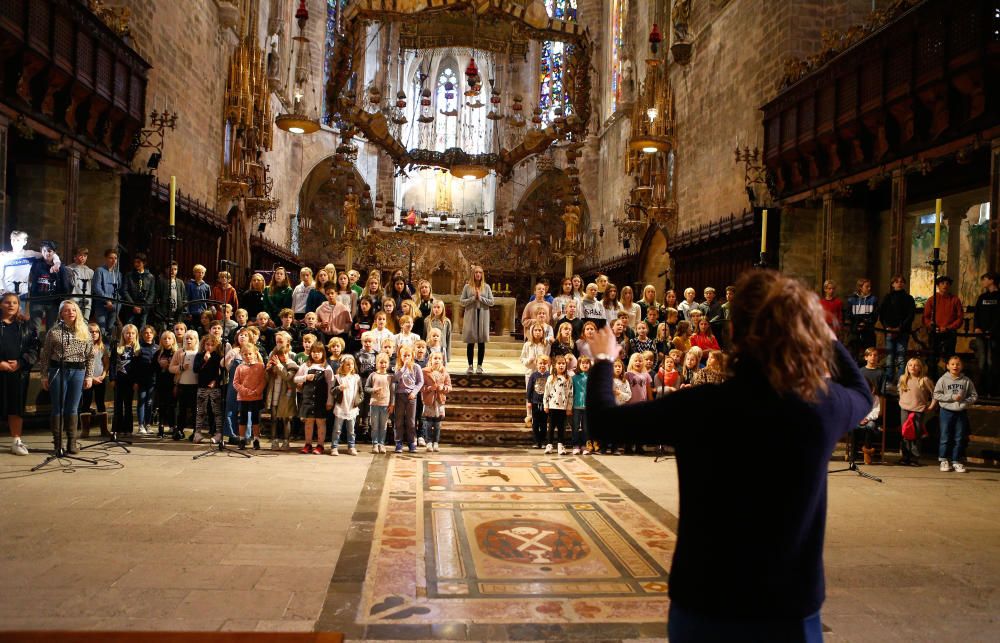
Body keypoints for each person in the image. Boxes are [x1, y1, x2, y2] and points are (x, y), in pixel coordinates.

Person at [585, 269, 872, 641]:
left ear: (731, 334)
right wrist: (826, 337)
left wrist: (605, 360)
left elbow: (604, 422)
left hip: (706, 601)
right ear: (803, 332)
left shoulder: (701, 406)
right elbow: (862, 393)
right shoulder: (820, 407)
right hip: (787, 608)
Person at [40, 301, 95, 455]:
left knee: (73, 408)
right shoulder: (54, 331)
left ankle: (72, 442)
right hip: (58, 370)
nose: (71, 312)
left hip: (78, 371)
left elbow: (90, 356)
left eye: (73, 310)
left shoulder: (85, 331)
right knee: (58, 407)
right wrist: (44, 375)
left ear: (77, 312)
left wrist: (89, 375)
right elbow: (45, 355)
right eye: (66, 310)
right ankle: (58, 444)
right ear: (61, 314)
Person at [0, 293, 38, 455]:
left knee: (16, 407)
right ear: (1, 305)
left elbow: (34, 349)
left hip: (18, 373)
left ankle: (16, 441)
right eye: (7, 302)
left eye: (14, 302)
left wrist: (21, 363)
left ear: (19, 305)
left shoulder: (27, 326)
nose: (11, 305)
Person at [933, 356, 977, 473]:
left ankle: (956, 461)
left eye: (958, 364)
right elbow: (936, 394)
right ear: (947, 366)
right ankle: (943, 460)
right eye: (952, 364)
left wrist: (965, 402)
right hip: (946, 411)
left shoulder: (966, 380)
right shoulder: (943, 379)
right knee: (945, 436)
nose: (955, 366)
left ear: (962, 366)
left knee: (959, 437)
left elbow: (974, 395)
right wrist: (951, 397)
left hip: (961, 412)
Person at [294, 342, 333, 454]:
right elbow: (295, 379)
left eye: (319, 352)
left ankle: (320, 445)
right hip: (308, 398)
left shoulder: (326, 367)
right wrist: (305, 377)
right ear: (310, 353)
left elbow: (331, 384)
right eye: (314, 352)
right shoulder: (306, 365)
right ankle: (308, 444)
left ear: (323, 354)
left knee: (321, 422)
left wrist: (330, 400)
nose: (316, 354)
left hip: (321, 399)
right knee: (309, 422)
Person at [28, 240, 73, 335]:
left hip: (53, 302)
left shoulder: (61, 267)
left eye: (49, 251)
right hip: (37, 300)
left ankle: (50, 347)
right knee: (34, 327)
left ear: (54, 252)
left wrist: (63, 300)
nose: (46, 253)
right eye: (44, 251)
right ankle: (34, 347)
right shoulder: (36, 264)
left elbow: (65, 285)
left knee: (52, 328)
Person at [878, 275, 916, 385]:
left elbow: (910, 315)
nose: (899, 283)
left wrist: (900, 328)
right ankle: (889, 381)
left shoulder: (909, 298)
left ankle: (900, 381)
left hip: (903, 331)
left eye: (901, 282)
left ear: (904, 284)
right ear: (892, 284)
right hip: (889, 331)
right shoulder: (887, 298)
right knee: (889, 357)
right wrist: (887, 328)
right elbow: (882, 314)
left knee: (901, 357)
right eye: (896, 281)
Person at [897, 358, 934, 466]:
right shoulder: (903, 378)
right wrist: (903, 401)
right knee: (905, 433)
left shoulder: (924, 380)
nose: (913, 367)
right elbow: (900, 392)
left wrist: (931, 406)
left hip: (918, 410)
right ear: (907, 367)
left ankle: (914, 458)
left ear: (920, 368)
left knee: (915, 434)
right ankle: (905, 456)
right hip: (905, 409)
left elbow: (935, 394)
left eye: (916, 365)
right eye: (910, 365)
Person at [264, 330, 298, 450]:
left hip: (286, 393)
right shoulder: (274, 355)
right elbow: (267, 379)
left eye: (280, 341)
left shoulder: (292, 359)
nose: (278, 343)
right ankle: (274, 440)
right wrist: (268, 370)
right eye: (277, 341)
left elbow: (288, 376)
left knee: (286, 418)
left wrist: (279, 365)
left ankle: (286, 441)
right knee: (273, 418)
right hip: (274, 392)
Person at [460, 264, 494, 374]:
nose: (478, 274)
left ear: (482, 274)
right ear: (473, 274)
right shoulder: (467, 287)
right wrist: (473, 298)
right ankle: (470, 366)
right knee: (471, 342)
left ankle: (479, 366)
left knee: (481, 342)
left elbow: (492, 302)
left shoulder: (486, 287)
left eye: (480, 272)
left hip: (483, 315)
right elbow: (462, 301)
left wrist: (481, 298)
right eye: (476, 272)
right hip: (471, 315)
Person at [389, 344, 423, 453]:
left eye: (408, 355)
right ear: (400, 356)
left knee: (411, 421)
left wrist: (414, 392)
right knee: (398, 420)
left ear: (412, 356)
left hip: (411, 396)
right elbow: (395, 379)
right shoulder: (398, 367)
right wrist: (403, 368)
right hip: (400, 396)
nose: (406, 358)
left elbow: (420, 382)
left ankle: (412, 442)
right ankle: (398, 442)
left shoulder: (416, 367)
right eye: (404, 355)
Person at [232, 344, 266, 450]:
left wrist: (256, 391)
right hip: (243, 398)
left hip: (256, 397)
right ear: (242, 355)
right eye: (245, 354)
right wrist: (246, 391)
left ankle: (256, 440)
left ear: (255, 354)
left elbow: (263, 380)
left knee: (255, 419)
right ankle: (242, 439)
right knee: (242, 419)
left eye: (250, 354)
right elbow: (235, 383)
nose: (248, 356)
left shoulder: (260, 366)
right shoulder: (239, 367)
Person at [193, 334, 225, 444]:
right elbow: (196, 369)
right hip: (202, 387)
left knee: (216, 411)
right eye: (207, 344)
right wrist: (204, 360)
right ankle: (197, 433)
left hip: (215, 388)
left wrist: (215, 381)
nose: (209, 347)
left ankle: (219, 433)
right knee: (200, 411)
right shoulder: (199, 356)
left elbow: (221, 372)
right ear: (203, 344)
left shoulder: (218, 357)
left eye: (212, 345)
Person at [169, 330, 200, 441]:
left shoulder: (199, 352)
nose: (188, 340)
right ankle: (180, 430)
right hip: (182, 385)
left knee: (195, 410)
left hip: (196, 386)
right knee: (181, 410)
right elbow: (171, 368)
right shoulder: (180, 352)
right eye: (186, 338)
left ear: (196, 340)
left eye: (191, 338)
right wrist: (181, 367)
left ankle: (196, 432)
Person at [330, 355, 363, 456]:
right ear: (342, 365)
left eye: (352, 364)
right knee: (337, 429)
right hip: (341, 407)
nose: (350, 366)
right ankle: (334, 447)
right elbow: (332, 391)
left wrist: (358, 401)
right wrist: (339, 388)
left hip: (351, 408)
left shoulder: (356, 378)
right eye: (347, 364)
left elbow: (361, 392)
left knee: (351, 430)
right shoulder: (338, 377)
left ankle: (351, 446)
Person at [972, 271, 999, 396]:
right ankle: (980, 390)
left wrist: (991, 331)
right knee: (981, 362)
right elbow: (976, 314)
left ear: (992, 280)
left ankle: (992, 390)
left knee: (992, 362)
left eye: (985, 279)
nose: (983, 282)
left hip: (995, 335)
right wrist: (977, 327)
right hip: (980, 335)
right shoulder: (982, 297)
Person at [542, 354, 573, 456]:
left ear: (566, 365)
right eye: (559, 364)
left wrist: (569, 407)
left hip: (563, 408)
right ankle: (549, 444)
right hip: (552, 407)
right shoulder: (551, 378)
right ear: (555, 365)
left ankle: (561, 445)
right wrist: (545, 405)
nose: (561, 366)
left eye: (563, 364)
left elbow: (570, 394)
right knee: (551, 427)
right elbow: (546, 392)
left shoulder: (568, 379)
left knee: (561, 428)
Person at [421, 351, 451, 453]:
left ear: (442, 361)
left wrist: (444, 388)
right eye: (435, 358)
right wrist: (429, 388)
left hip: (439, 401)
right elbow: (421, 386)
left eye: (439, 358)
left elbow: (449, 387)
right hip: (429, 401)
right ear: (430, 360)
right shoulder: (424, 372)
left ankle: (436, 442)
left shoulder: (445, 373)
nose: (437, 360)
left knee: (437, 424)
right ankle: (428, 442)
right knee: (428, 423)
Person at [133, 325, 159, 434]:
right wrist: (135, 381)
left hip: (153, 381)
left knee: (149, 402)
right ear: (142, 335)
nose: (148, 335)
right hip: (141, 380)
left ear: (154, 334)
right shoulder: (139, 348)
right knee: (141, 402)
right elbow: (135, 366)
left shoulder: (157, 348)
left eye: (150, 333)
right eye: (146, 333)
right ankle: (140, 425)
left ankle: (148, 424)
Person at [845, 278, 878, 363]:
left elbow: (874, 315)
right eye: (867, 286)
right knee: (853, 354)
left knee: (869, 354)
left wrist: (864, 323)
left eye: (870, 286)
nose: (869, 288)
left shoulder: (873, 299)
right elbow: (849, 315)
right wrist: (857, 325)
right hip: (855, 331)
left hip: (868, 331)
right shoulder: (852, 299)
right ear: (860, 287)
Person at [366, 352, 392, 453]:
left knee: (383, 425)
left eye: (385, 362)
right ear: (377, 363)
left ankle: (382, 443)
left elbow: (392, 391)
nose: (383, 364)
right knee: (375, 425)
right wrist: (373, 390)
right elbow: (366, 388)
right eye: (381, 362)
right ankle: (375, 444)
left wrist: (391, 404)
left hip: (385, 404)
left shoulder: (390, 376)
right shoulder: (373, 375)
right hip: (374, 404)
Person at [153, 330, 177, 439]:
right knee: (161, 405)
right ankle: (161, 427)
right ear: (161, 341)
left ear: (173, 340)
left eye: (169, 338)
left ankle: (173, 427)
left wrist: (169, 366)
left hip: (173, 383)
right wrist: (160, 365)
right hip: (161, 383)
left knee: (173, 405)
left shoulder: (177, 352)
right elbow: (152, 369)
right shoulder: (158, 353)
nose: (167, 340)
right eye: (164, 338)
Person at [122, 253, 155, 330]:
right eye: (135, 262)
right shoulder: (129, 275)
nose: (136, 264)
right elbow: (125, 291)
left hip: (144, 307)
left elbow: (152, 293)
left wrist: (144, 307)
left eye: (139, 262)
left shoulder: (150, 277)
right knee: (129, 328)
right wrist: (133, 305)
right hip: (131, 306)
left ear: (144, 263)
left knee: (142, 329)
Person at [93, 249, 122, 336]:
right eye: (111, 258)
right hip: (102, 304)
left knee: (111, 328)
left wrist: (114, 304)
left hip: (114, 306)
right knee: (101, 329)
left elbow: (119, 291)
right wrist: (107, 300)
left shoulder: (118, 273)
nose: (113, 260)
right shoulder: (100, 270)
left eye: (115, 258)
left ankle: (109, 349)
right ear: (106, 258)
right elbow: (97, 288)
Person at [525, 354, 550, 450]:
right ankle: (536, 441)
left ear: (547, 364)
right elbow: (529, 389)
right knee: (535, 423)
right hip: (535, 402)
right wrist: (529, 401)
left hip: (545, 403)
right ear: (536, 364)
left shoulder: (549, 376)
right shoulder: (533, 375)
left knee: (543, 423)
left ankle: (543, 441)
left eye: (544, 363)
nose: (542, 365)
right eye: (540, 363)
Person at [156, 261, 187, 330]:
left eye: (175, 269)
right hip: (164, 315)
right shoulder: (161, 281)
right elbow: (156, 298)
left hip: (177, 314)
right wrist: (160, 314)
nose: (172, 271)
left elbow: (184, 298)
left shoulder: (180, 282)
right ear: (165, 269)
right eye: (170, 269)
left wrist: (184, 312)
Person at [66, 247, 94, 321]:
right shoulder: (68, 269)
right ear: (75, 256)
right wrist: (77, 268)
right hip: (73, 301)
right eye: (80, 255)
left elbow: (91, 288)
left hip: (86, 303)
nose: (83, 258)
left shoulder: (90, 271)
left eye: (85, 256)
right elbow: (73, 283)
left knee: (84, 323)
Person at [571, 356, 591, 455]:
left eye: (587, 363)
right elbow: (572, 392)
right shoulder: (574, 378)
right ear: (578, 365)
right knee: (575, 426)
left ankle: (584, 445)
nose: (585, 365)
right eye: (582, 363)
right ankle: (575, 445)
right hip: (576, 405)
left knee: (586, 427)